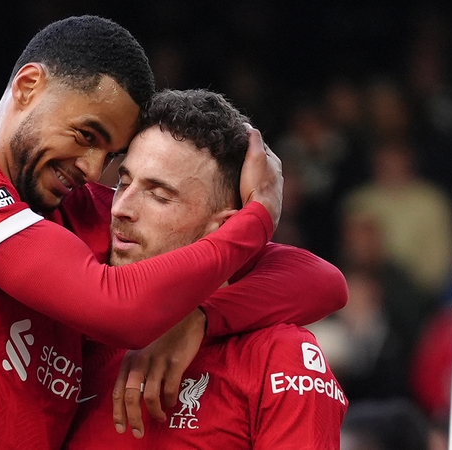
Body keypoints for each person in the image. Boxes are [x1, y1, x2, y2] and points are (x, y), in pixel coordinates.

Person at [0, 16, 341, 450]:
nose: (92, 168)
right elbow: (118, 309)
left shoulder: (73, 213)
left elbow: (320, 280)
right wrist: (262, 211)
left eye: (110, 156)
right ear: (28, 88)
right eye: (86, 135)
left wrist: (200, 319)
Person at [63, 90, 347, 449]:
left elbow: (327, 281)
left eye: (159, 195)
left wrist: (196, 318)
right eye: (123, 181)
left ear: (226, 228)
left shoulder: (279, 356)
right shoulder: (80, 322)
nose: (121, 208)